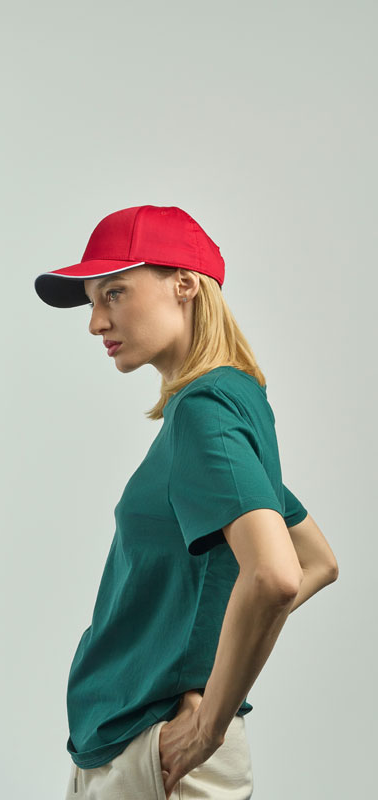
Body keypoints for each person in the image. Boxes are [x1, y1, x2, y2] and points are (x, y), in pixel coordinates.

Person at [34, 204, 339, 800]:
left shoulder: (206, 412)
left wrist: (206, 728)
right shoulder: (228, 403)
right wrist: (205, 668)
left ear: (185, 284)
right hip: (131, 742)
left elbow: (277, 574)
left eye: (114, 293)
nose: (96, 322)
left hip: (157, 752)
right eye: (93, 301)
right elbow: (317, 560)